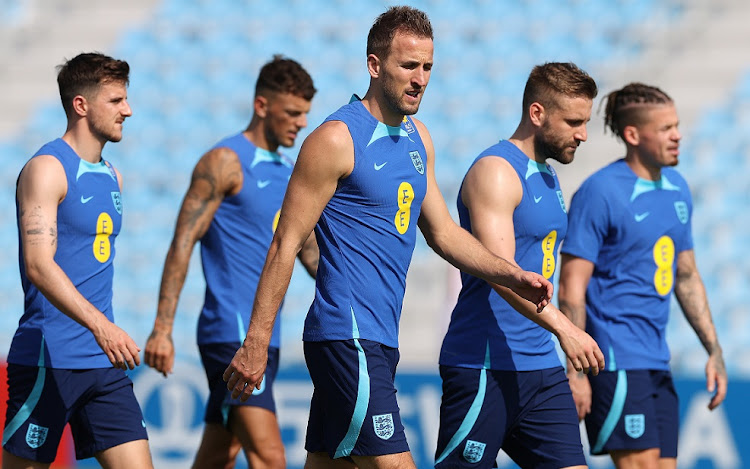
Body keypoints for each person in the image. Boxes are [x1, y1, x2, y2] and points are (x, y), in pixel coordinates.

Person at [222, 6, 556, 469]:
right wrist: (256, 341)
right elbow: (286, 242)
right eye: (408, 66)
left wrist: (511, 273)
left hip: (380, 336)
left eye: (427, 68)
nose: (420, 79)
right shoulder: (337, 139)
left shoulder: (420, 138)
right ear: (375, 66)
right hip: (346, 334)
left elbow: (443, 234)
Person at [142, 55, 318, 469]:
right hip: (230, 333)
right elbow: (182, 243)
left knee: (221, 453)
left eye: (305, 114)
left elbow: (308, 252)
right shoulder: (224, 162)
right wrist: (162, 330)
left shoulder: (293, 173)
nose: (301, 123)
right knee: (270, 456)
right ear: (261, 106)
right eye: (292, 112)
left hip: (265, 336)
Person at [433, 62, 605, 469]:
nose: (583, 134)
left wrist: (572, 371)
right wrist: (567, 330)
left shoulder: (546, 175)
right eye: (574, 122)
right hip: (484, 366)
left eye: (586, 122)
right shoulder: (496, 172)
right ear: (537, 113)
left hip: (541, 368)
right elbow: (503, 275)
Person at [558, 82, 728, 468]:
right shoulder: (599, 192)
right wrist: (577, 372)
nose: (678, 135)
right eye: (666, 128)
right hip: (614, 359)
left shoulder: (677, 188)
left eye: (677, 125)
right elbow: (571, 289)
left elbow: (685, 276)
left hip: (656, 359)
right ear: (633, 135)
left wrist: (714, 350)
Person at [2, 53, 153, 469]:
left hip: (103, 366)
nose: (129, 110)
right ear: (81, 105)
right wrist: (102, 325)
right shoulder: (47, 169)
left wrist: (101, 333)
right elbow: (38, 264)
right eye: (117, 101)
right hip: (49, 360)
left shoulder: (112, 175)